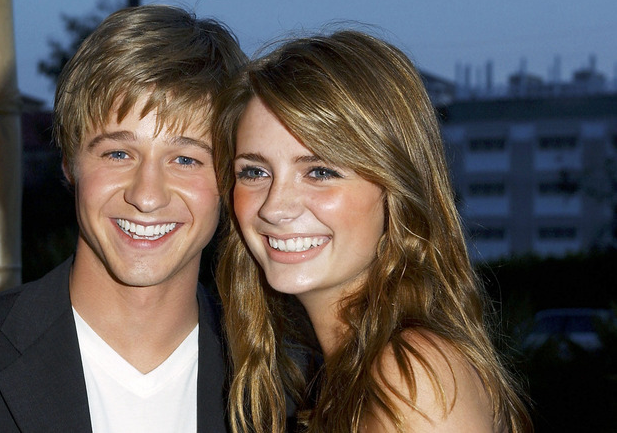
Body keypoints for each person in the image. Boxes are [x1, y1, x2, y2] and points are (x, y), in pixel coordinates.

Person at [0, 5, 246, 432]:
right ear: (69, 162)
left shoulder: (291, 380)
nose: (147, 195)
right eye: (118, 153)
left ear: (229, 178)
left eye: (186, 159)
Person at [213, 30, 533, 432]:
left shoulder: (412, 378)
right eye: (255, 171)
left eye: (320, 171)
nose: (275, 206)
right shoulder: (341, 375)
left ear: (394, 190)